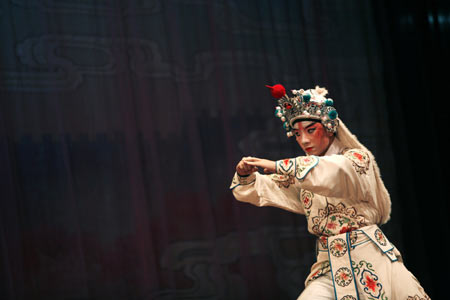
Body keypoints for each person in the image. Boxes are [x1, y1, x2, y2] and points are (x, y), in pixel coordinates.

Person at [230, 85, 430, 300]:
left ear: (329, 128)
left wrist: (277, 165)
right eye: (297, 134)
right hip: (330, 265)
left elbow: (331, 173)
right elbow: (262, 189)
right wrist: (245, 175)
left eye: (310, 130)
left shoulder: (357, 160)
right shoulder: (301, 173)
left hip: (372, 259)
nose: (304, 140)